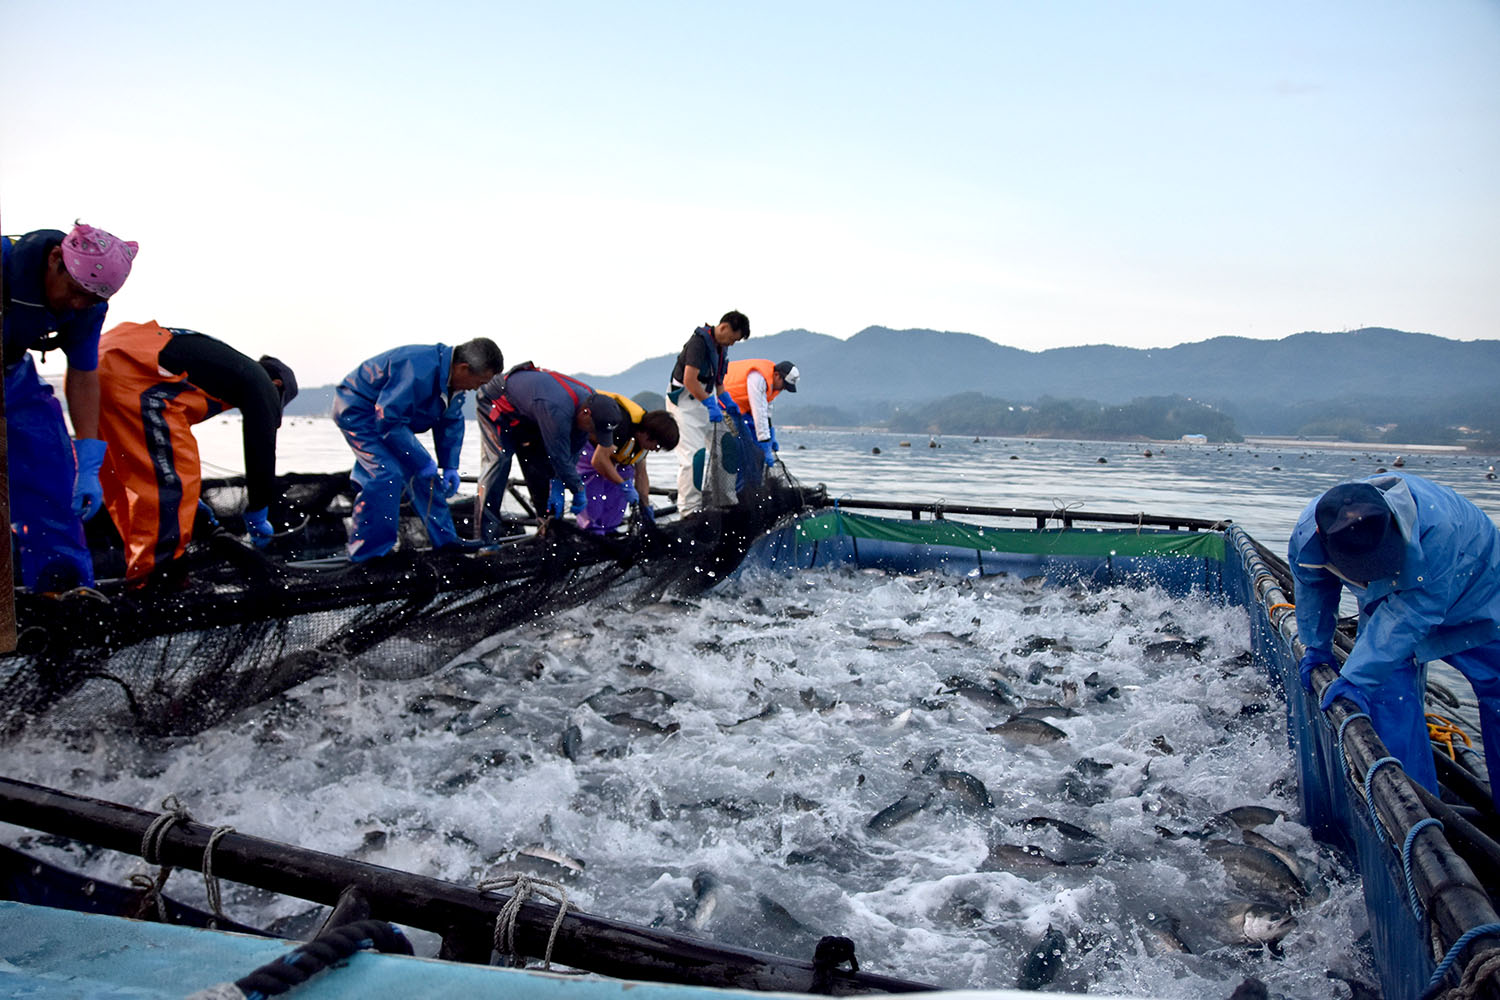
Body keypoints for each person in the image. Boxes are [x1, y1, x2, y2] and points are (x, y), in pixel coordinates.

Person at [1289, 473, 1500, 807]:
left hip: (1477, 586)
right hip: (1393, 597)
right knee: (1388, 694)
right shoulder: (1307, 532)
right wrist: (1316, 646)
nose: (1370, 572)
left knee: (1497, 689)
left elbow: (1413, 613)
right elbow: (1313, 585)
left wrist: (1355, 676)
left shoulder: (1438, 529)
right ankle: (1416, 809)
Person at [95, 321, 297, 585]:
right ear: (277, 384)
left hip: (96, 365)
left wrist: (189, 503)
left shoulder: (215, 368)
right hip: (137, 374)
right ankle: (161, 583)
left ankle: (141, 570)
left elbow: (154, 458)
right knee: (171, 487)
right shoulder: (260, 380)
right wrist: (258, 510)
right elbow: (261, 447)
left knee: (126, 488)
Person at [2, 223, 138, 590]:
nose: (79, 305)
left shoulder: (88, 307)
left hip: (11, 373)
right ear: (54, 259)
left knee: (51, 470)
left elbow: (83, 374)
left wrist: (89, 460)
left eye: (91, 300)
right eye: (76, 292)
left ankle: (62, 590)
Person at [333, 338, 503, 561]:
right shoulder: (418, 368)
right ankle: (368, 554)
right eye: (479, 382)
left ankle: (446, 540)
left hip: (390, 419)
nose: (476, 388)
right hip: (359, 410)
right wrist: (422, 461)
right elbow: (389, 420)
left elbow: (451, 421)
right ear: (464, 368)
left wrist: (449, 465)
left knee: (425, 474)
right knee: (386, 474)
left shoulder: (454, 382)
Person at [474, 363, 625, 530]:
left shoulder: (592, 402)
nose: (594, 435)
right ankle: (486, 537)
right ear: (586, 413)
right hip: (496, 402)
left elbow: (574, 449)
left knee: (541, 466)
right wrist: (578, 489)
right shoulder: (557, 409)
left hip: (528, 413)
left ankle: (547, 525)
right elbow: (558, 455)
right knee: (499, 462)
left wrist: (558, 482)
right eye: (594, 429)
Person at [665, 310, 750, 515]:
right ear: (724, 327)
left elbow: (719, 384)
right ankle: (689, 510)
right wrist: (711, 404)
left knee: (727, 443)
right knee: (695, 456)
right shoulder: (698, 343)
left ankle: (724, 500)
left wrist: (726, 402)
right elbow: (690, 380)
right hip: (685, 403)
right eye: (732, 338)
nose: (732, 343)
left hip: (705, 400)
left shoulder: (721, 349)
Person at [574, 394, 679, 534]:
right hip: (589, 446)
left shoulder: (643, 444)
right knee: (595, 480)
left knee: (626, 473)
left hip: (609, 454)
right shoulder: (621, 427)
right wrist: (623, 484)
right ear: (647, 434)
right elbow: (598, 461)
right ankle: (590, 528)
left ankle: (610, 528)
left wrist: (645, 505)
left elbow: (641, 474)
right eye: (658, 446)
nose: (656, 450)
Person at [723, 358, 799, 488]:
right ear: (777, 375)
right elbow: (758, 410)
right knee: (741, 451)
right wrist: (765, 442)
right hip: (723, 406)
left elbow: (766, 412)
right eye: (784, 385)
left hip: (740, 410)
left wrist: (771, 436)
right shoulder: (757, 378)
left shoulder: (772, 386)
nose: (783, 389)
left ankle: (752, 489)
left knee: (756, 452)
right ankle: (737, 493)